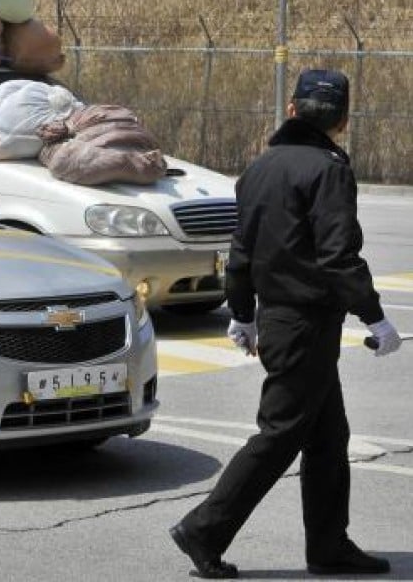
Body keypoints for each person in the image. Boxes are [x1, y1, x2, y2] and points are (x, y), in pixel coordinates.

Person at [169, 69, 402, 579]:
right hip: (306, 324)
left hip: (280, 320)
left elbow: (242, 250)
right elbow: (339, 257)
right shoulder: (328, 170)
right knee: (279, 435)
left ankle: (328, 546)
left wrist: (244, 312)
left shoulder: (260, 168)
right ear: (342, 121)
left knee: (327, 437)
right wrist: (376, 316)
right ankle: (204, 528)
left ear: (292, 111)